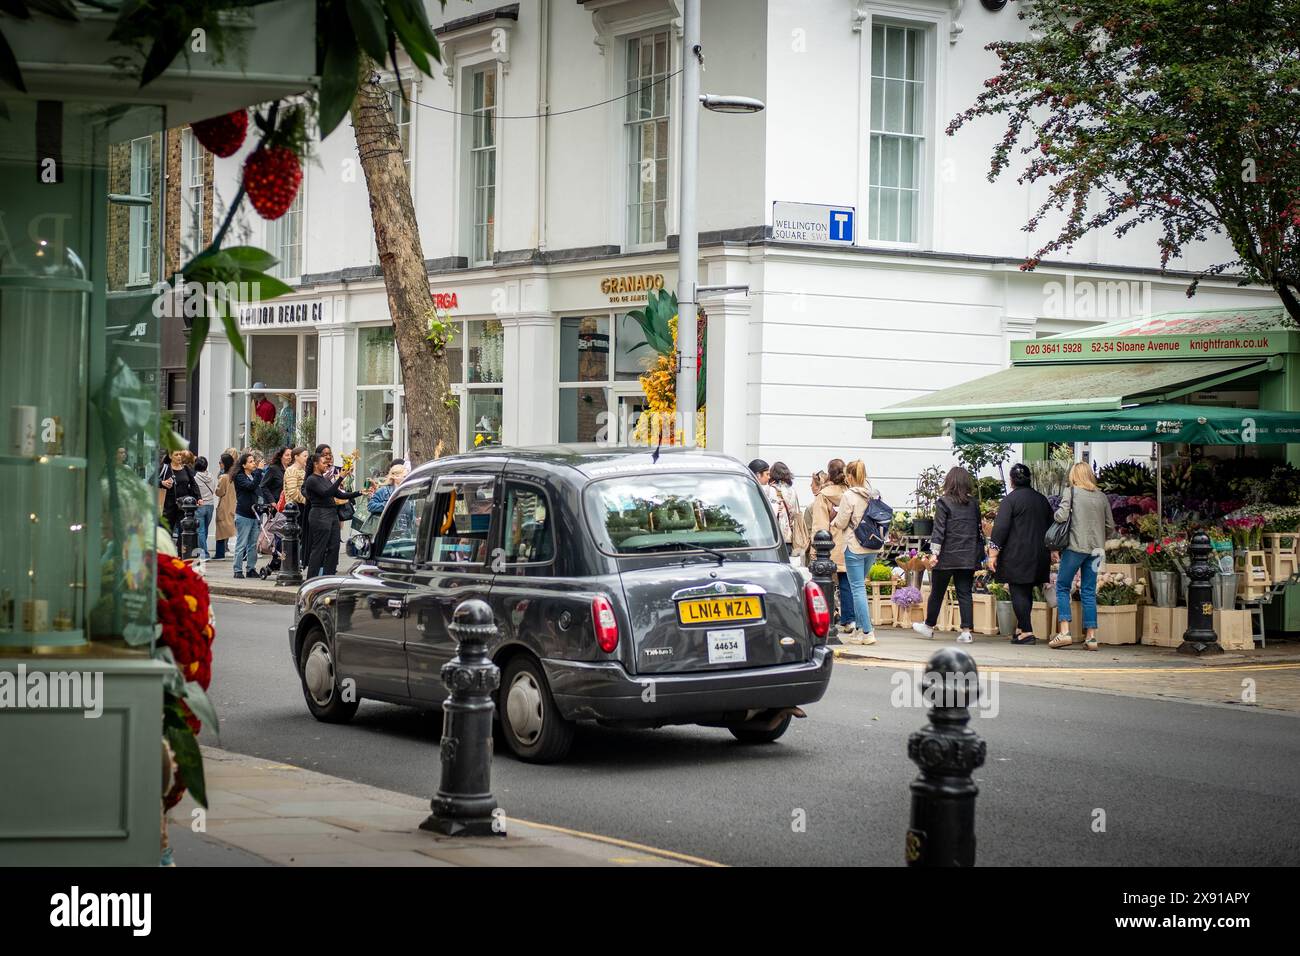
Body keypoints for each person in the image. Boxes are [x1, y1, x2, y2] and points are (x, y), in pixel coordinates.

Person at [1050, 462, 1115, 651]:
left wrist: (1058, 513)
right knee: (1088, 590)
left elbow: (1061, 516)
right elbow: (1110, 526)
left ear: (1074, 475)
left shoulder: (1072, 492)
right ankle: (1091, 637)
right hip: (1097, 551)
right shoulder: (1102, 497)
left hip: (1075, 547)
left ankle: (1064, 632)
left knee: (1062, 586)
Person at [914, 467, 983, 644]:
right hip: (967, 555)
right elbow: (978, 529)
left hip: (946, 555)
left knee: (937, 592)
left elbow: (939, 530)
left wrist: (934, 553)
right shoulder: (973, 503)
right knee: (964, 592)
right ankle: (966, 631)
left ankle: (929, 627)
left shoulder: (943, 502)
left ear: (949, 482)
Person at [988, 463, 1054, 645]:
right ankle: (1020, 628)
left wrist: (993, 554)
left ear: (1011, 481)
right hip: (1040, 554)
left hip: (1017, 554)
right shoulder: (1042, 500)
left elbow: (1000, 528)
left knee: (1018, 590)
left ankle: (1026, 631)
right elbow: (1051, 527)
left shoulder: (1010, 500)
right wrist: (1054, 550)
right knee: (1026, 591)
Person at [830, 459, 879, 645]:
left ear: (849, 476)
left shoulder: (849, 495)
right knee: (858, 586)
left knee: (857, 588)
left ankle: (868, 631)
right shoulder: (872, 493)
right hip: (872, 546)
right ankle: (859, 630)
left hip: (855, 547)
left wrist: (834, 521)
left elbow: (842, 522)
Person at [811, 459, 855, 638]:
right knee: (848, 582)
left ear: (829, 475)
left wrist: (816, 547)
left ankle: (828, 619)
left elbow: (820, 524)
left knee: (825, 582)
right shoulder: (852, 492)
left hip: (831, 544)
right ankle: (850, 619)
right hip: (851, 542)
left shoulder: (824, 495)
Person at [303, 452, 362, 578]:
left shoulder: (324, 479)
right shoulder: (311, 480)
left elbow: (339, 494)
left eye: (327, 463)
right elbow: (326, 493)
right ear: (315, 464)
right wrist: (340, 477)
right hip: (320, 515)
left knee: (334, 547)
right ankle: (311, 579)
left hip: (332, 514)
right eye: (324, 463)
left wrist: (360, 492)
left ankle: (328, 577)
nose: (327, 465)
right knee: (319, 548)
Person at [769, 461, 811, 565]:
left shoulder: (771, 490)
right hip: (789, 537)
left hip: (774, 537)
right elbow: (797, 513)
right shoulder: (793, 491)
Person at [230, 452, 263, 578]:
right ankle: (237, 569)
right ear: (243, 465)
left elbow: (258, 489)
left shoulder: (254, 475)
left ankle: (251, 568)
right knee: (241, 543)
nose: (253, 463)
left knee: (253, 544)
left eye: (253, 461)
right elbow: (250, 487)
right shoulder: (240, 477)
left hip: (255, 514)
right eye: (250, 461)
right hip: (243, 514)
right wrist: (259, 471)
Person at [361, 462, 409, 537]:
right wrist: (388, 504)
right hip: (388, 532)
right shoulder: (384, 490)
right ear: (394, 476)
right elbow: (370, 506)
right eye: (404, 476)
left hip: (404, 531)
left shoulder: (408, 491)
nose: (407, 479)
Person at [158, 449, 198, 533]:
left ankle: (180, 546)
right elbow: (151, 480)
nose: (179, 457)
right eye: (176, 455)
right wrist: (162, 483)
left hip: (183, 506)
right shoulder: (165, 468)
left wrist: (199, 498)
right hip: (168, 506)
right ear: (170, 456)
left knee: (183, 532)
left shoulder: (186, 468)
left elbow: (194, 484)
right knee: (166, 532)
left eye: (180, 455)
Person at [192, 456, 218, 559]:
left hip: (200, 505)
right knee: (205, 530)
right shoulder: (211, 476)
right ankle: (203, 550)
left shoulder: (195, 478)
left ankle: (204, 554)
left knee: (200, 531)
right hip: (210, 505)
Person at [213, 452, 236, 559]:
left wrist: (216, 488)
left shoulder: (224, 477)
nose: (219, 464)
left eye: (220, 462)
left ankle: (219, 553)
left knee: (220, 530)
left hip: (224, 506)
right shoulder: (235, 476)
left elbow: (219, 492)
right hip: (233, 505)